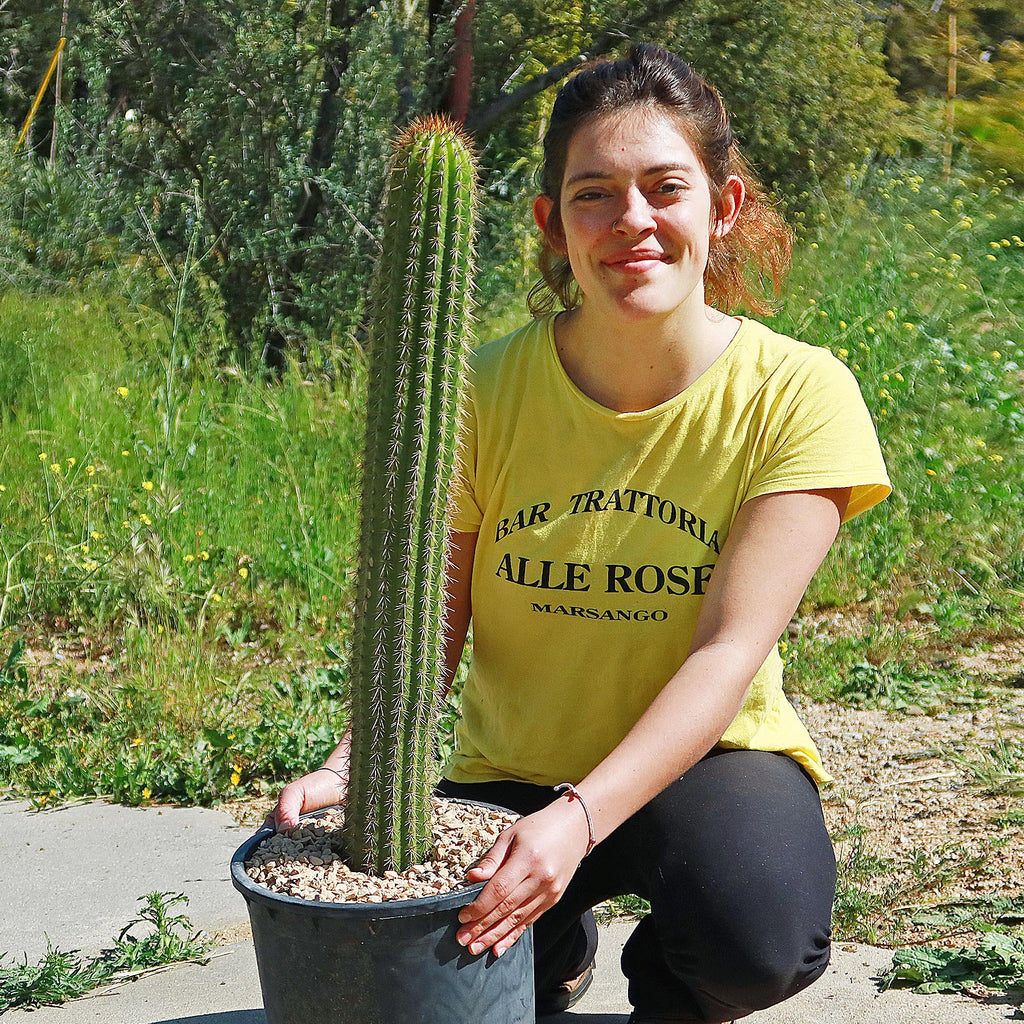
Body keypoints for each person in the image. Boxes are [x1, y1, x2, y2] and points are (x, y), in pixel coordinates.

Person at [273, 43, 891, 1024]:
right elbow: (429, 621)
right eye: (593, 193)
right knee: (441, 950)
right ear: (551, 225)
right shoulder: (473, 390)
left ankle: (668, 991)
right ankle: (553, 956)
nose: (630, 221)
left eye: (663, 187)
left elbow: (728, 654)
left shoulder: (798, 392)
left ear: (722, 207)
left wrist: (580, 818)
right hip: (507, 774)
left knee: (752, 934)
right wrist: (353, 768)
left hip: (711, 759)